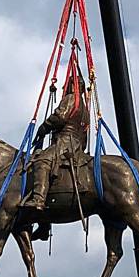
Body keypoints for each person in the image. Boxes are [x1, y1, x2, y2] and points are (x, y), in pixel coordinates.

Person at [20, 70, 90, 240]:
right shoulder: (85, 108)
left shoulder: (72, 99)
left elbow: (59, 117)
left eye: (68, 84)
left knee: (42, 161)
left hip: (65, 141)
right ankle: (44, 225)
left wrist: (44, 127)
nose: (65, 87)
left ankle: (38, 200)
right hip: (77, 145)